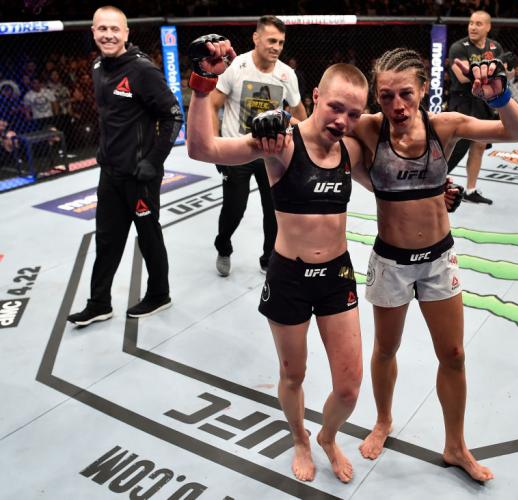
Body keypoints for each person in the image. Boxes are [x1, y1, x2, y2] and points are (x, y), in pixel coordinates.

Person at [186, 34, 371, 483]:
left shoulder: (351, 149)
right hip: (289, 277)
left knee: (348, 387)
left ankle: (327, 435)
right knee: (294, 375)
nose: (343, 120)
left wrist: (435, 194)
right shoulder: (280, 142)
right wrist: (202, 83)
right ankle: (300, 438)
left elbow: (396, 179)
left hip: (337, 275)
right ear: (314, 98)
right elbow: (202, 149)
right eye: (335, 108)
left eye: (354, 113)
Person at [349, 48, 518, 482]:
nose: (396, 105)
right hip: (390, 262)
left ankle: (455, 445)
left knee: (453, 353)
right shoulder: (369, 129)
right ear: (377, 96)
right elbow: (321, 126)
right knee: (386, 349)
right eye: (386, 95)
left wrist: (499, 97)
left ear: (423, 90)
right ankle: (383, 420)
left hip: (437, 259)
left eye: (406, 94)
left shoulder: (444, 125)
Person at [67, 6, 183, 326]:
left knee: (148, 237)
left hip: (140, 175)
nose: (108, 35)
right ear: (93, 32)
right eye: (102, 29)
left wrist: (152, 161)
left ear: (126, 33)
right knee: (107, 239)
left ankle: (160, 294)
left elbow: (173, 115)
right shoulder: (97, 67)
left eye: (115, 29)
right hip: (111, 173)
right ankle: (99, 303)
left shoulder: (143, 71)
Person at [208, 16, 307, 277]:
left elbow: (299, 112)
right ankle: (223, 246)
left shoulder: (286, 74)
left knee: (273, 209)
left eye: (281, 42)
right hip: (236, 150)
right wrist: (215, 143)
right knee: (234, 208)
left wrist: (308, 144)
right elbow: (212, 103)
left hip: (270, 151)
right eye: (272, 40)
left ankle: (269, 257)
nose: (276, 47)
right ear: (256, 38)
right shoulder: (236, 66)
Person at [446, 10, 512, 205]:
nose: (473, 27)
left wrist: (508, 69)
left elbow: (504, 75)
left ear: (488, 27)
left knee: (480, 144)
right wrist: (494, 72)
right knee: (457, 145)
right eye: (471, 23)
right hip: (463, 100)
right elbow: (463, 76)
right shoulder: (459, 47)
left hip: (483, 101)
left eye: (478, 24)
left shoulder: (494, 46)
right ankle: (433, 182)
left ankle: (471, 189)